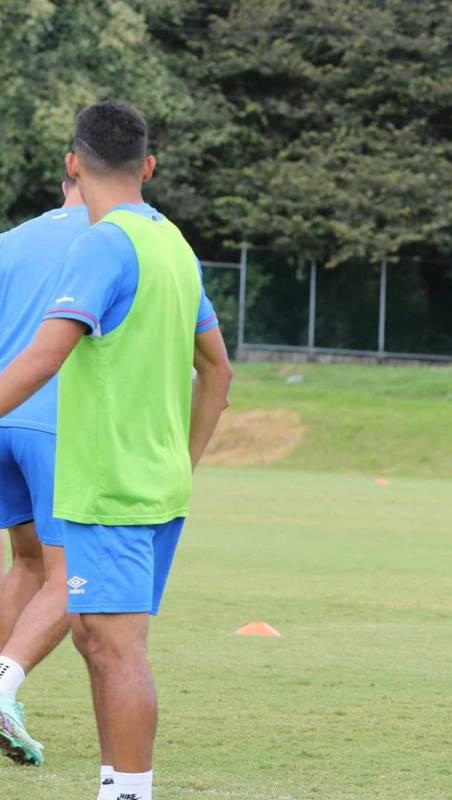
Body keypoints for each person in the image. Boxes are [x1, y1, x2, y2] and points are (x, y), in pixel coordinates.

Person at [0, 100, 233, 800]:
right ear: (149, 167)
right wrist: (182, 460)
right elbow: (218, 371)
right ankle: (116, 785)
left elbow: (44, 356)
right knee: (96, 639)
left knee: (117, 646)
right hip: (151, 481)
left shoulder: (104, 244)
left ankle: (131, 791)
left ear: (73, 163)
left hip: (110, 484)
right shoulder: (175, 244)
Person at [0, 174, 91, 767]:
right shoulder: (118, 239)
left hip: (2, 416)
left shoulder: (11, 240)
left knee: (28, 558)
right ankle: (3, 688)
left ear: (64, 177)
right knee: (77, 572)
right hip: (60, 423)